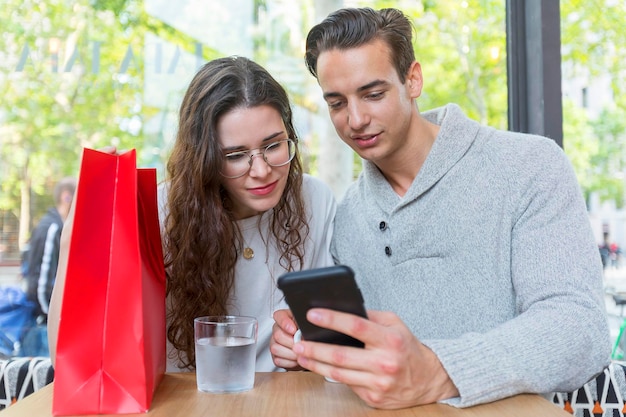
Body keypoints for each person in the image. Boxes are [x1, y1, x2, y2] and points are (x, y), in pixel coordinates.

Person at [270, 7, 611, 409]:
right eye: (337, 103)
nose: (356, 119)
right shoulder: (347, 217)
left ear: (412, 79)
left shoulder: (530, 167)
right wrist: (313, 348)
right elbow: (374, 357)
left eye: (373, 94)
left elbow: (580, 329)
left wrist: (438, 370)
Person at [48, 56, 336, 372]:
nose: (262, 170)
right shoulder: (159, 213)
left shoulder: (313, 200)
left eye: (273, 146)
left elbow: (331, 330)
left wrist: (306, 348)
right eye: (236, 155)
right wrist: (72, 243)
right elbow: (73, 357)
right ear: (205, 158)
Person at [25, 177, 77, 322]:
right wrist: (52, 319)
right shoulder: (52, 228)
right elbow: (42, 283)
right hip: (42, 319)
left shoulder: (57, 226)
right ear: (66, 196)